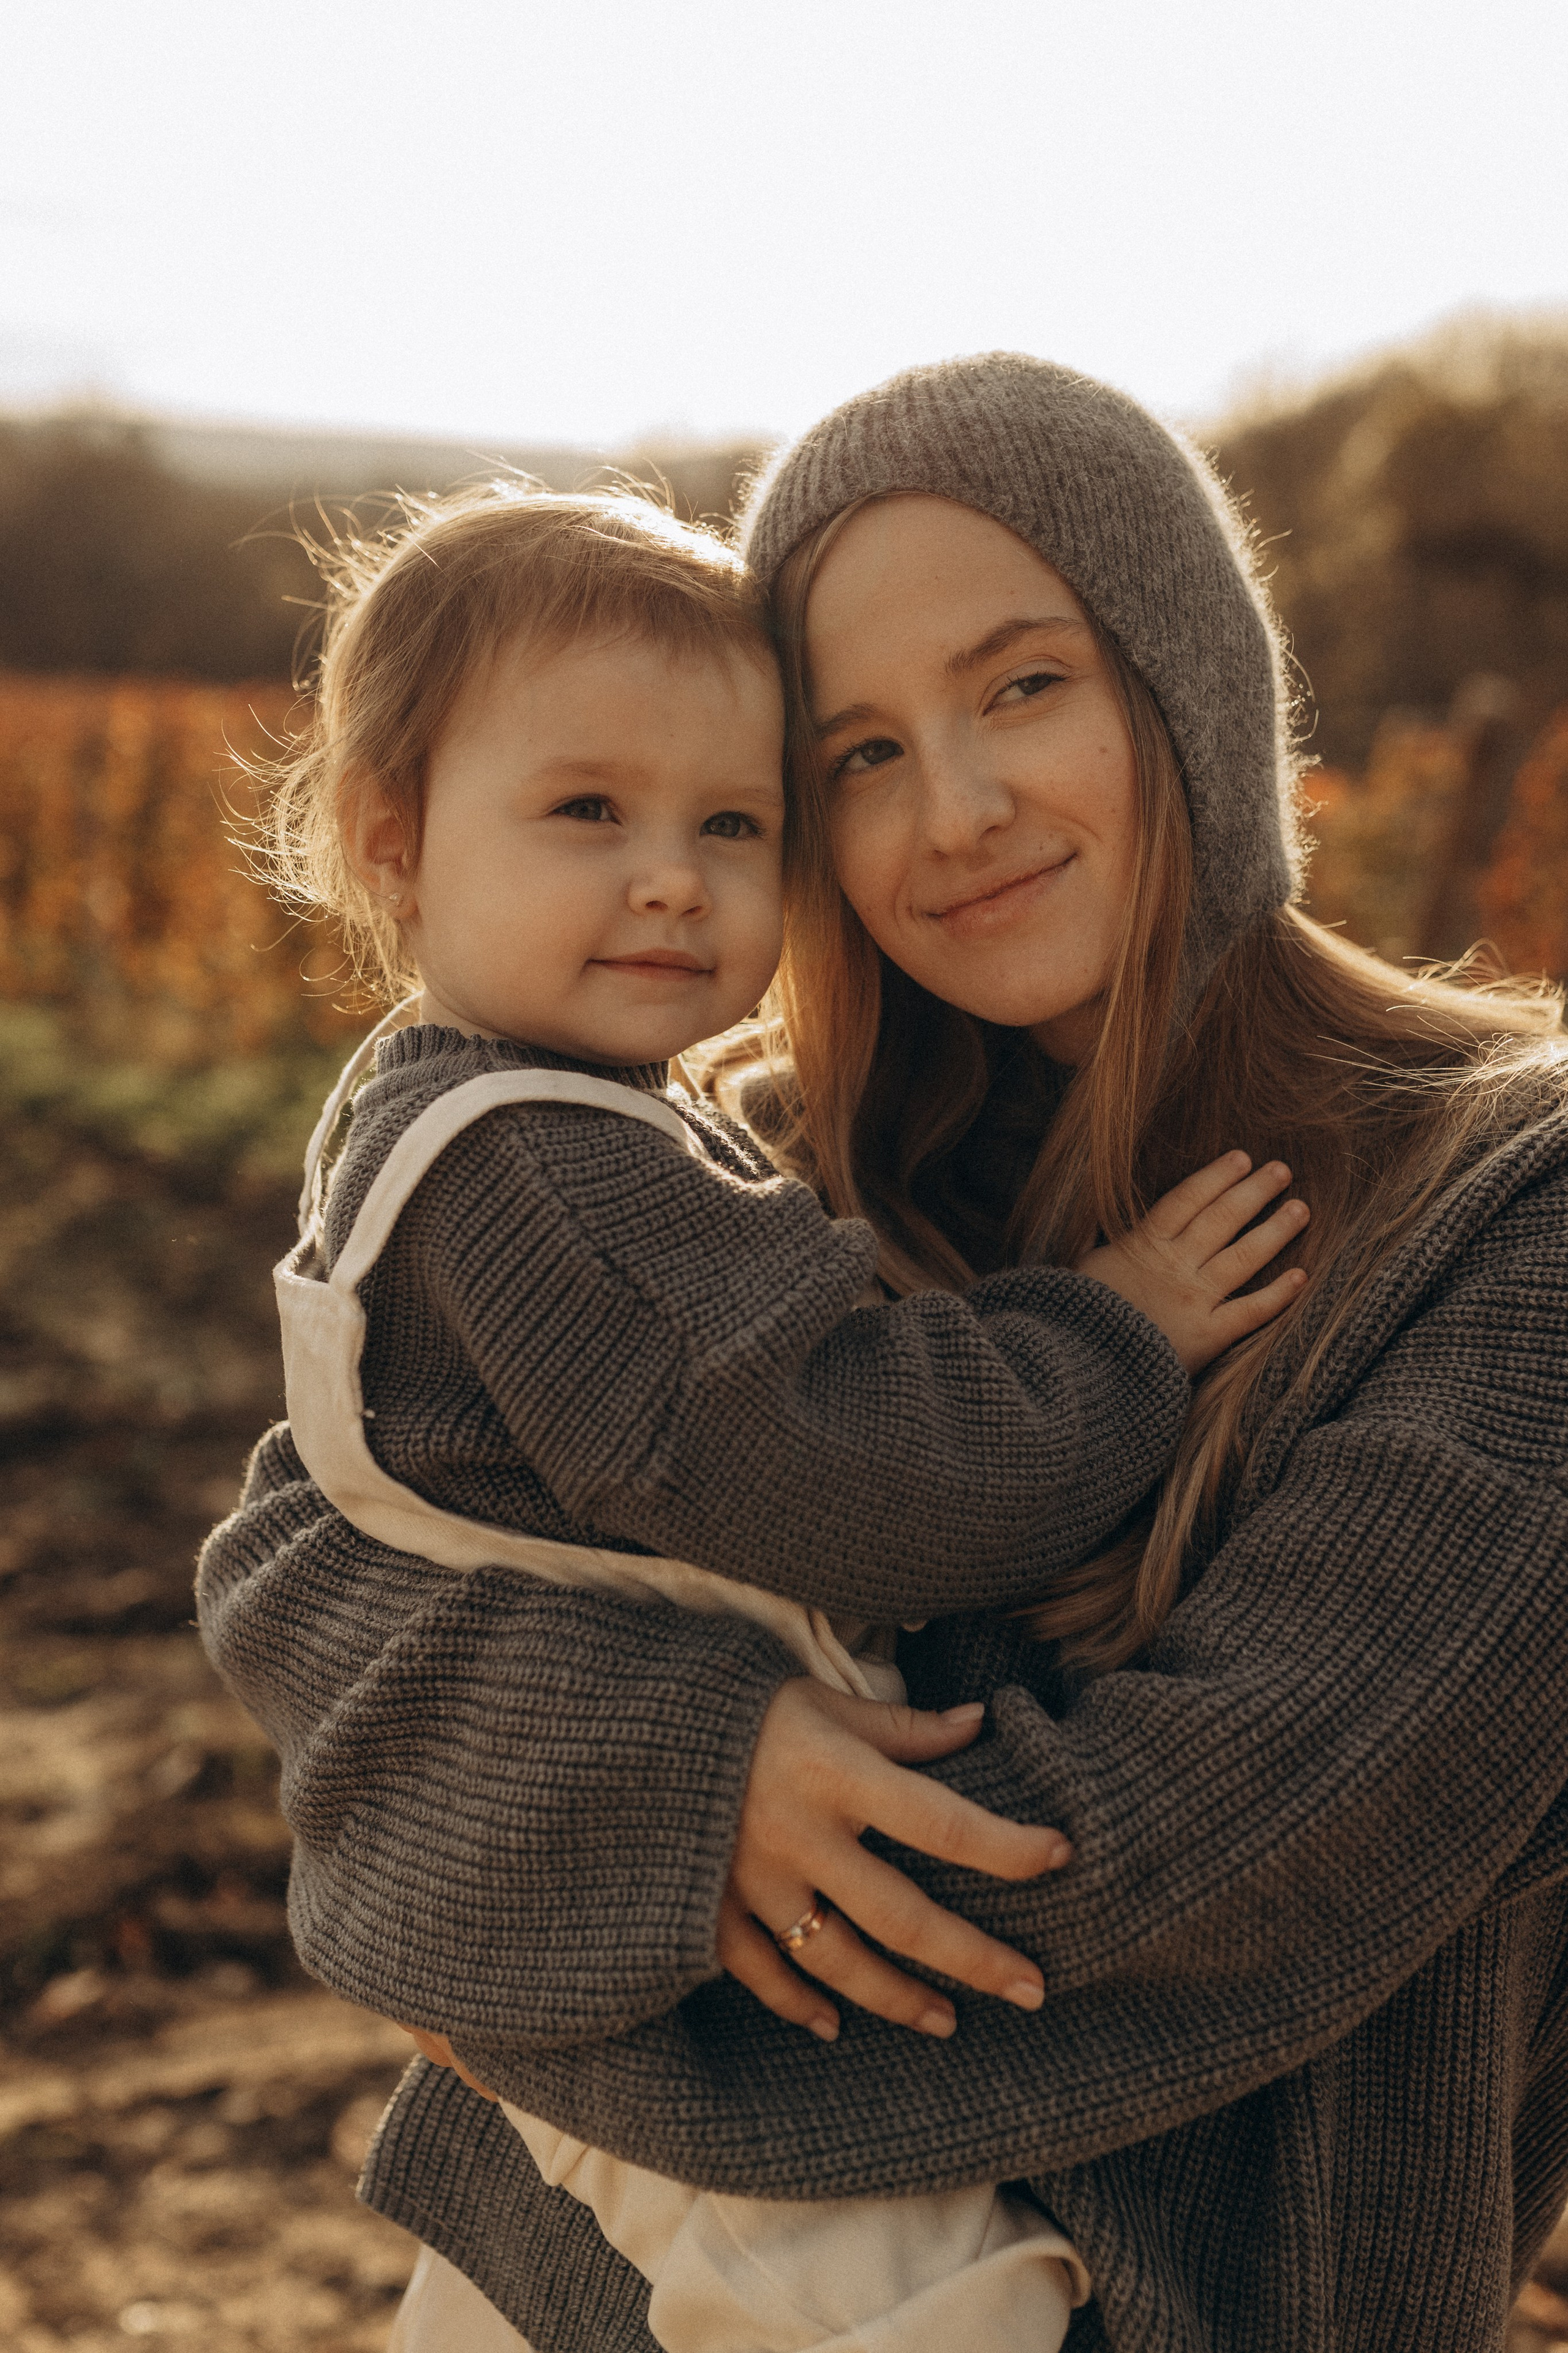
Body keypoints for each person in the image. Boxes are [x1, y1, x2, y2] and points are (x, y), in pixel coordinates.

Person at [199, 357, 1568, 2353]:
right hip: (556, 2272)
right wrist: (686, 1778)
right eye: (856, 751)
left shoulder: (1513, 1215)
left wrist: (520, 1936)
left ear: (1183, 685)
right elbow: (306, 1557)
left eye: (1024, 685)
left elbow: (1192, 1867)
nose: (959, 810)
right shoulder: (746, 1152)